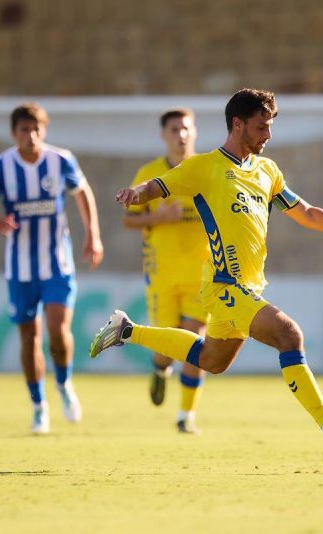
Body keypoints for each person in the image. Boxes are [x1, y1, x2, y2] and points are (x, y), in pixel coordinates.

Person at [90, 88, 323, 451]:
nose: (268, 135)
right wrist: (135, 193)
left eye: (269, 127)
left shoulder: (268, 171)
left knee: (211, 360)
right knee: (289, 334)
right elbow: (157, 186)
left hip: (249, 287)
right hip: (224, 285)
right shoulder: (204, 167)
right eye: (261, 127)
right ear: (237, 125)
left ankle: (127, 331)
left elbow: (308, 214)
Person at [0, 102, 104, 434]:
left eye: (36, 129)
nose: (31, 135)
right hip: (19, 269)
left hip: (57, 265)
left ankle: (63, 385)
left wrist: (93, 235)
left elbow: (83, 193)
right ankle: (38, 406)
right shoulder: (0, 166)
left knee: (57, 333)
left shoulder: (60, 160)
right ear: (13, 133)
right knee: (29, 336)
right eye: (24, 129)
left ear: (44, 131)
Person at [122, 108, 209, 434]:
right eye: (174, 129)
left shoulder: (206, 170)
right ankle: (159, 371)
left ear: (194, 132)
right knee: (166, 350)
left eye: (186, 128)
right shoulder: (149, 173)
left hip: (202, 274)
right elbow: (128, 219)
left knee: (195, 342)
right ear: (164, 135)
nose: (180, 134)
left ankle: (186, 416)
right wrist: (158, 218)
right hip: (162, 275)